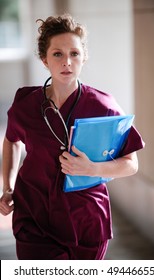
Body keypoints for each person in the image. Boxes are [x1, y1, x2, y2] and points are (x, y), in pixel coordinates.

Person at [0, 14, 144, 260]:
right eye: (57, 54)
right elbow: (12, 140)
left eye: (74, 54)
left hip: (86, 221)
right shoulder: (26, 103)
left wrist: (92, 168)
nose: (67, 61)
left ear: (83, 57)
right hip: (34, 217)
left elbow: (131, 164)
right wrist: (7, 186)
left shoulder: (103, 105)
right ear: (44, 60)